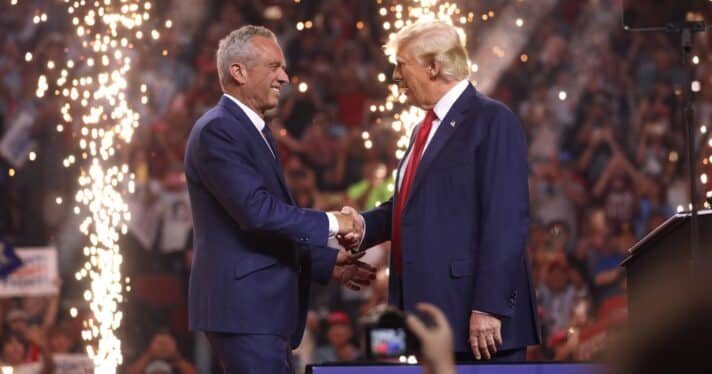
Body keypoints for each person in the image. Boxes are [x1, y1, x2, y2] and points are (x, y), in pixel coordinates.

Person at [346, 19, 541, 361]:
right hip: (434, 317)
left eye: (401, 65)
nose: (395, 77)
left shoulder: (492, 120)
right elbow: (411, 207)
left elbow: (507, 219)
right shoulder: (423, 128)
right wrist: (362, 227)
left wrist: (489, 307)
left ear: (433, 66)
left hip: (474, 320)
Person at [184, 25, 373, 373]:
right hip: (246, 309)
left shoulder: (253, 130)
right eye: (274, 67)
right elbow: (257, 213)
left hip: (261, 309)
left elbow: (261, 231)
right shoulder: (219, 129)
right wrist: (335, 222)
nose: (285, 78)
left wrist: (326, 263)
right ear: (238, 71)